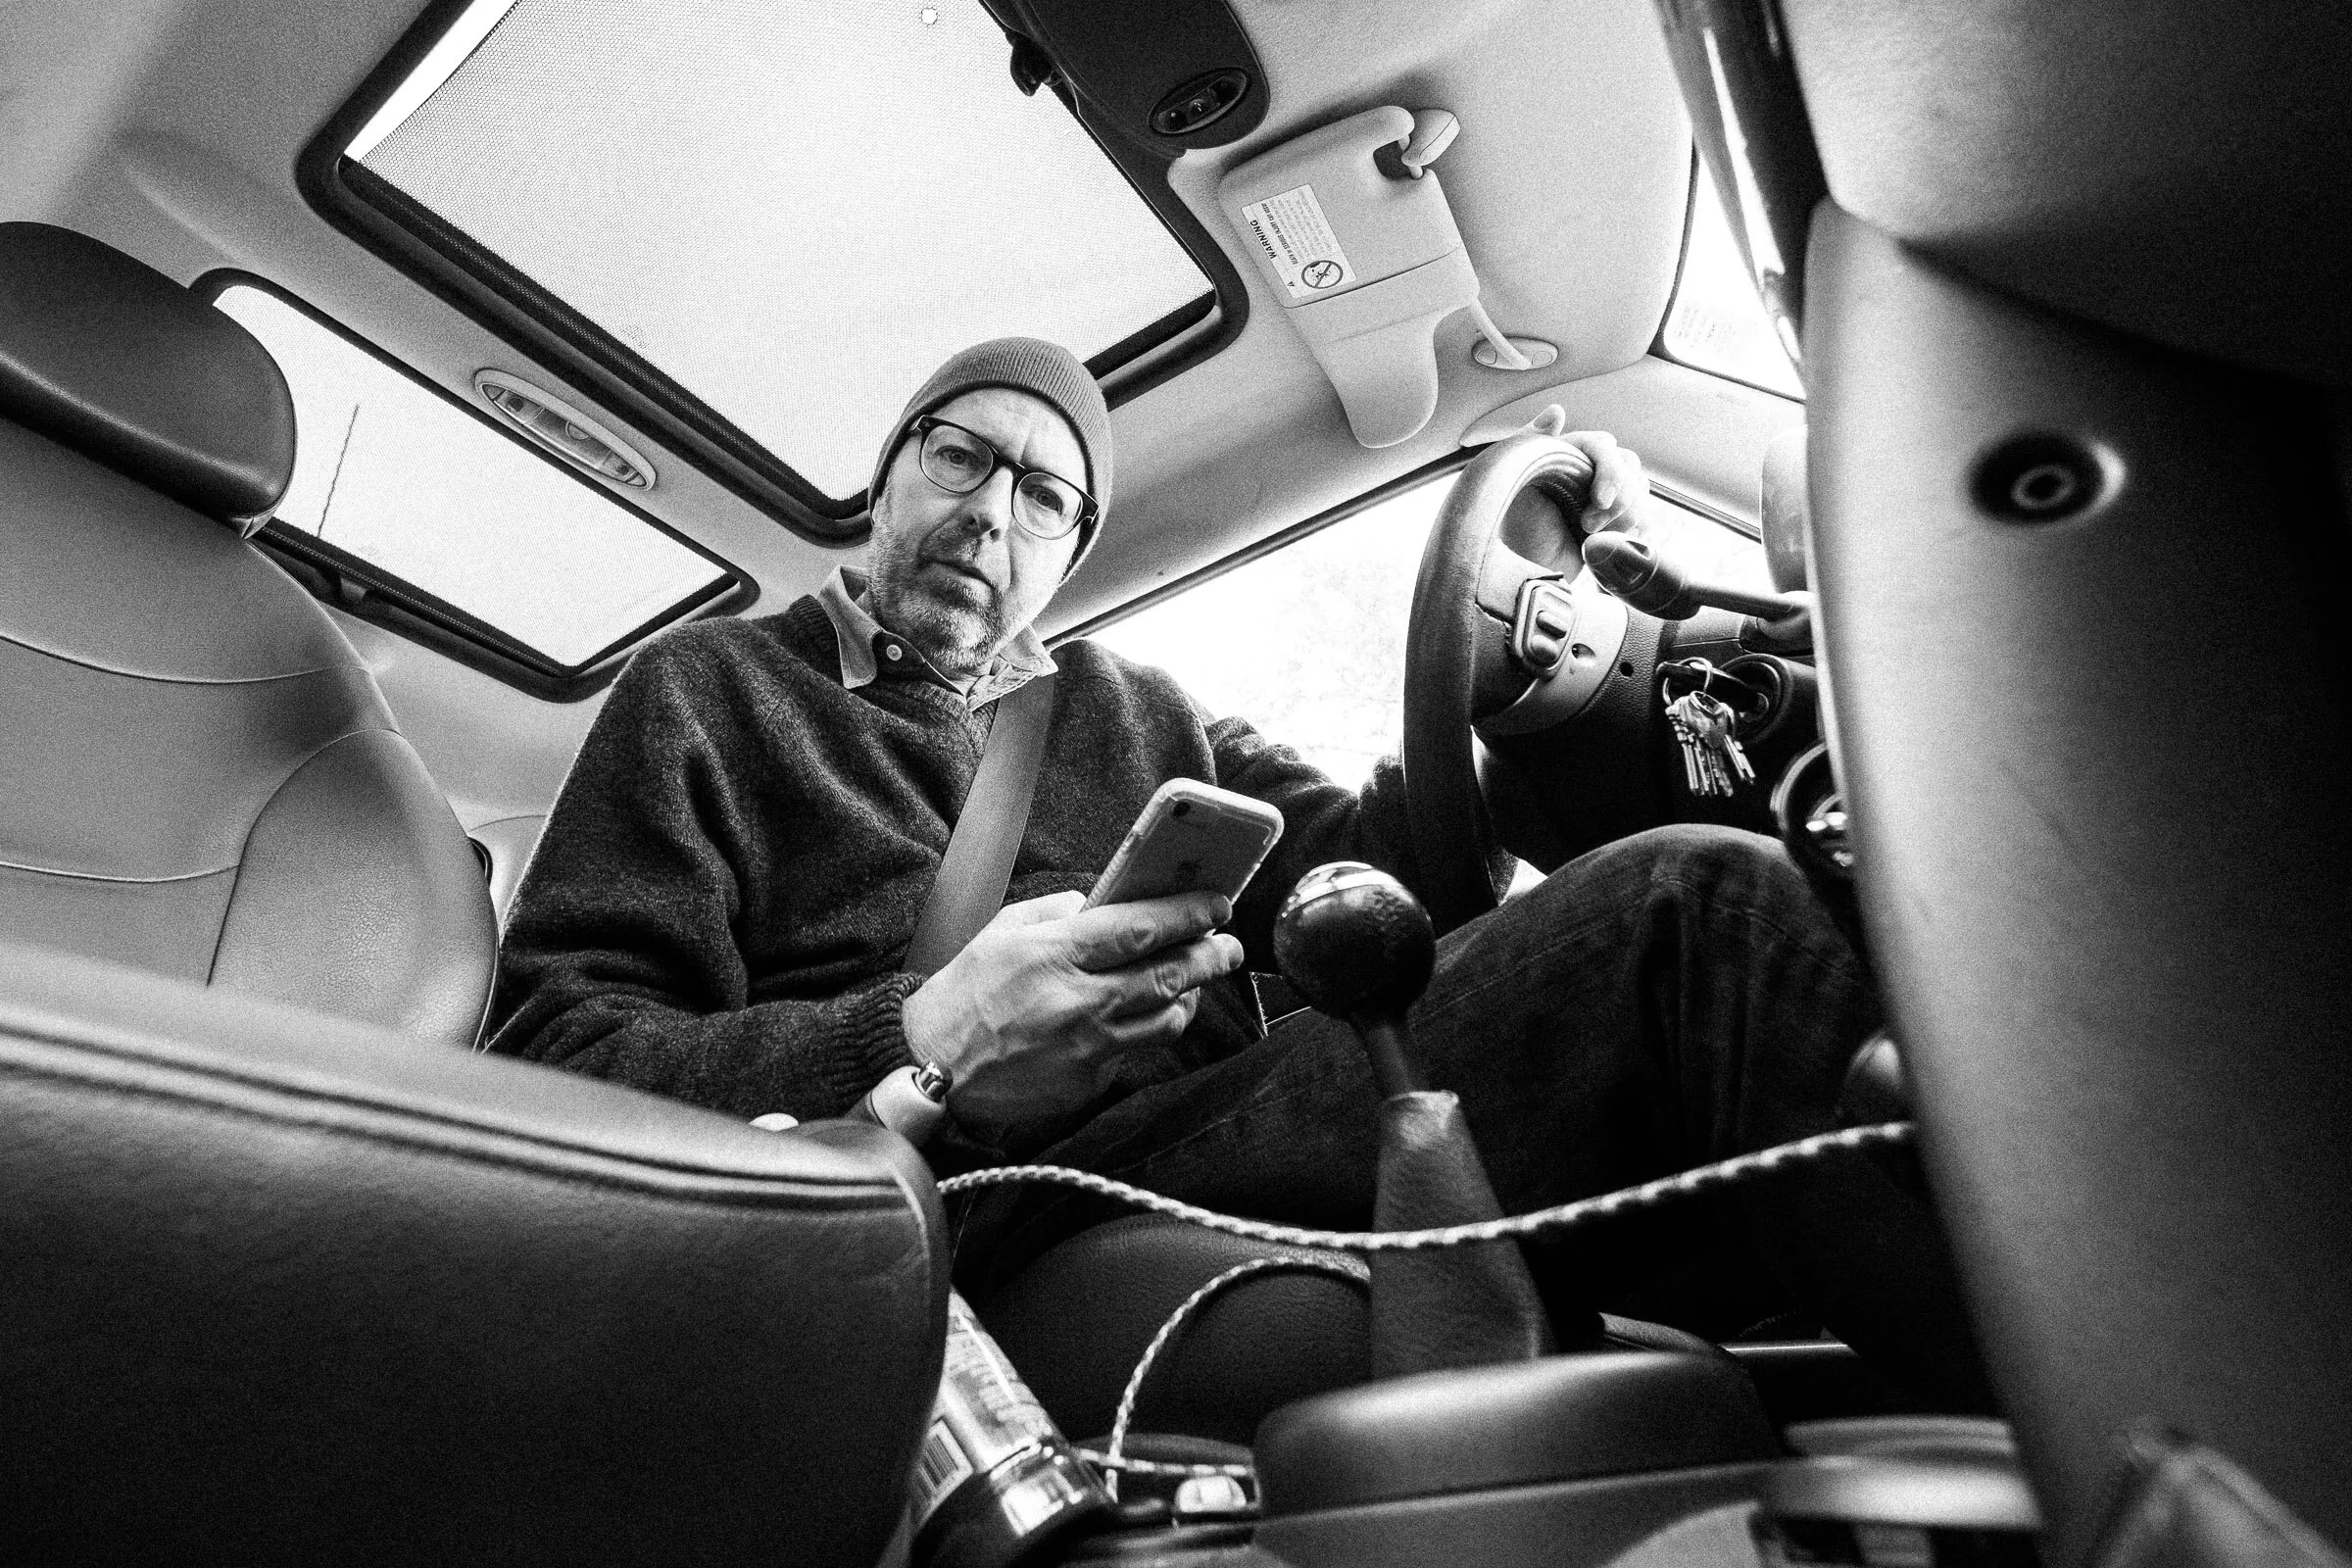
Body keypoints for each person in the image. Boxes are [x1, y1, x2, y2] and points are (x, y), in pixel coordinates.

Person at [489, 338, 1987, 1405]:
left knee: (1709, 949)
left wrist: (1556, 682)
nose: (992, 512)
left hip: (1192, 1139)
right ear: (884, 480)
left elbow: (1389, 871)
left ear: (1071, 552)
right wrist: (926, 1032)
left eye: (1045, 498)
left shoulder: (1139, 709)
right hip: (938, 1199)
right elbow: (561, 1067)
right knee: (1690, 918)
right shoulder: (708, 689)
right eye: (961, 458)